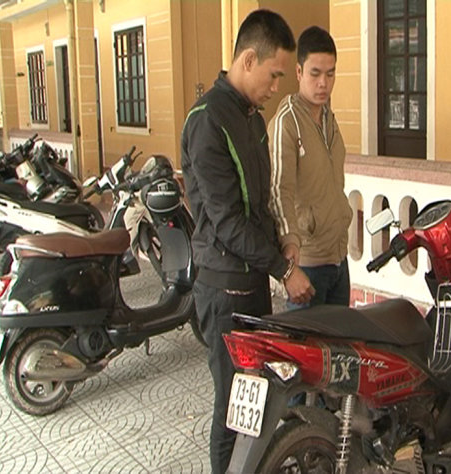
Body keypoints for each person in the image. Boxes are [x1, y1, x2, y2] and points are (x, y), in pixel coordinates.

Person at [180, 10, 314, 473]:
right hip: (223, 290)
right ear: (249, 59)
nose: (277, 86)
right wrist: (285, 270)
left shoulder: (253, 120)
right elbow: (227, 223)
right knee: (232, 404)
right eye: (274, 74)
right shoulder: (207, 122)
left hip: (252, 283)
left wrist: (283, 241)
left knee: (256, 399)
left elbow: (259, 205)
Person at [268, 26, 353, 309]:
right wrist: (289, 266)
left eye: (330, 74)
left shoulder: (329, 118)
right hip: (308, 264)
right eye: (315, 74)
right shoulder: (287, 123)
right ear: (298, 72)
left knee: (341, 338)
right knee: (306, 339)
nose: (323, 84)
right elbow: (278, 192)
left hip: (339, 258)